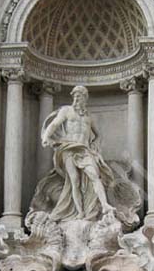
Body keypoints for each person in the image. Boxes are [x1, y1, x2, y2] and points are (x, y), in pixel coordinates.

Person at [33, 86, 116, 222]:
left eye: (80, 96)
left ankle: (105, 205)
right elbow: (54, 124)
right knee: (74, 181)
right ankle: (80, 212)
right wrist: (46, 136)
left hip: (84, 150)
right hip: (68, 148)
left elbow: (98, 135)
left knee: (94, 175)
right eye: (75, 96)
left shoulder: (88, 118)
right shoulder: (67, 111)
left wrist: (95, 145)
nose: (77, 98)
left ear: (85, 98)